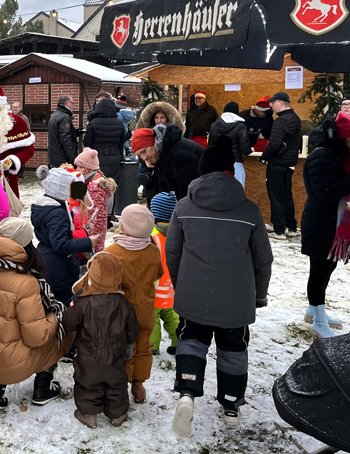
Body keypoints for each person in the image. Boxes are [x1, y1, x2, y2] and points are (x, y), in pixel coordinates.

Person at [166, 136, 273, 436]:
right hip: (237, 299)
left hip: (194, 293)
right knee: (233, 348)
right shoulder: (249, 210)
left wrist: (181, 284)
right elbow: (263, 259)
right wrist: (260, 294)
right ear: (230, 172)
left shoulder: (184, 206)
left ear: (202, 172)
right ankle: (230, 406)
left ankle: (187, 393)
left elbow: (172, 252)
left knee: (191, 341)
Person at [0, 217, 72, 409]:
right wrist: (57, 315)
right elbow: (37, 337)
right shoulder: (24, 282)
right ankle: (43, 388)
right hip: (11, 363)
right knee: (61, 330)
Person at [301, 112, 350, 338]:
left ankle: (314, 310)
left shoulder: (339, 156)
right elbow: (326, 193)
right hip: (320, 223)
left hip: (330, 222)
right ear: (342, 138)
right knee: (319, 272)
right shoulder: (323, 157)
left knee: (328, 268)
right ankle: (318, 320)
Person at [63, 252, 139, 429]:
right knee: (116, 382)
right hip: (116, 352)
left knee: (87, 381)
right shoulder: (124, 303)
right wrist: (129, 343)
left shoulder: (84, 303)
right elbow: (133, 328)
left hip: (88, 353)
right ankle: (118, 414)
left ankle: (88, 414)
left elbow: (68, 323)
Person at [104, 204, 163, 404]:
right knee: (144, 345)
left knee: (123, 348)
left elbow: (105, 281)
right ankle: (138, 385)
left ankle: (122, 383)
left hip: (121, 312)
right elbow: (158, 274)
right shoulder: (152, 251)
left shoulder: (113, 251)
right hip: (146, 308)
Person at [32, 166, 95, 303]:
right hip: (58, 269)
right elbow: (60, 244)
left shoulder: (45, 205)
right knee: (63, 304)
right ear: (61, 189)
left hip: (47, 259)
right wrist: (88, 242)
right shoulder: (56, 213)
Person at [261, 92, 302, 240]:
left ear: (282, 103)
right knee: (286, 195)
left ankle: (279, 229)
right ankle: (291, 227)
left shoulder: (282, 121)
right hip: (289, 163)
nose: (271, 105)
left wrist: (264, 157)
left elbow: (274, 143)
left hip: (277, 163)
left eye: (274, 102)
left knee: (276, 196)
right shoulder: (295, 118)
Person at [132, 124, 203, 200]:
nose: (144, 157)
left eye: (144, 151)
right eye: (139, 155)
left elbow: (186, 191)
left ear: (154, 143)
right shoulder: (163, 151)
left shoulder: (179, 154)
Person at [148, 191, 179, 356]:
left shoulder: (152, 236)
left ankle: (153, 346)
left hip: (154, 288)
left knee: (152, 321)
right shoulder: (178, 234)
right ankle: (177, 343)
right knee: (173, 318)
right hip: (171, 287)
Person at [74, 148, 116, 253]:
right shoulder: (93, 181)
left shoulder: (94, 186)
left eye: (80, 166)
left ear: (89, 168)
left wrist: (86, 230)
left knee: (91, 253)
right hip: (98, 226)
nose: (77, 169)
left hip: (92, 228)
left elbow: (92, 211)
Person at [84, 97, 126, 189]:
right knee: (112, 186)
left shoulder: (93, 123)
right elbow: (122, 141)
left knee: (97, 185)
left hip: (97, 159)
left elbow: (87, 143)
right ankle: (112, 203)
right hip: (114, 158)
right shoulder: (119, 123)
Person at [208, 101, 252, 186]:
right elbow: (245, 149)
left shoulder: (214, 125)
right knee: (237, 191)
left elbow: (210, 146)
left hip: (217, 162)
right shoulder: (240, 126)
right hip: (235, 162)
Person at [48, 95, 78, 167]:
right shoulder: (65, 117)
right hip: (62, 156)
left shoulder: (55, 114)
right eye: (72, 103)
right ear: (67, 104)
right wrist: (73, 157)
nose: (74, 106)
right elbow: (65, 139)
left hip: (54, 154)